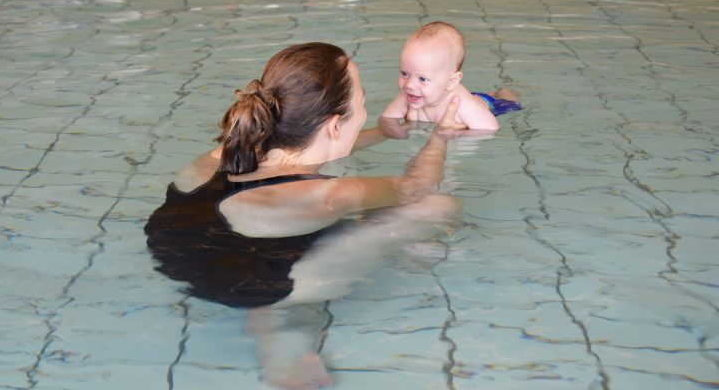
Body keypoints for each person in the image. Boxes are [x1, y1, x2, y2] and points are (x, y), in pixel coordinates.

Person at [145, 42, 467, 390]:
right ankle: (272, 324)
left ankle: (270, 305)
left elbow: (309, 152)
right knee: (437, 208)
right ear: (333, 126)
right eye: (362, 101)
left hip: (178, 256)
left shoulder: (240, 144)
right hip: (251, 287)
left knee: (280, 216)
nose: (364, 109)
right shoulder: (329, 196)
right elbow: (417, 185)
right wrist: (442, 136)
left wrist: (382, 135)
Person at [381, 21, 522, 133]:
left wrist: (460, 133)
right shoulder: (409, 93)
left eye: (422, 79)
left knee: (509, 102)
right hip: (455, 95)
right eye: (404, 73)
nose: (409, 85)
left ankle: (504, 92)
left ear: (452, 81)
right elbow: (387, 120)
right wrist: (401, 130)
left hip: (489, 105)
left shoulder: (466, 108)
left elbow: (491, 128)